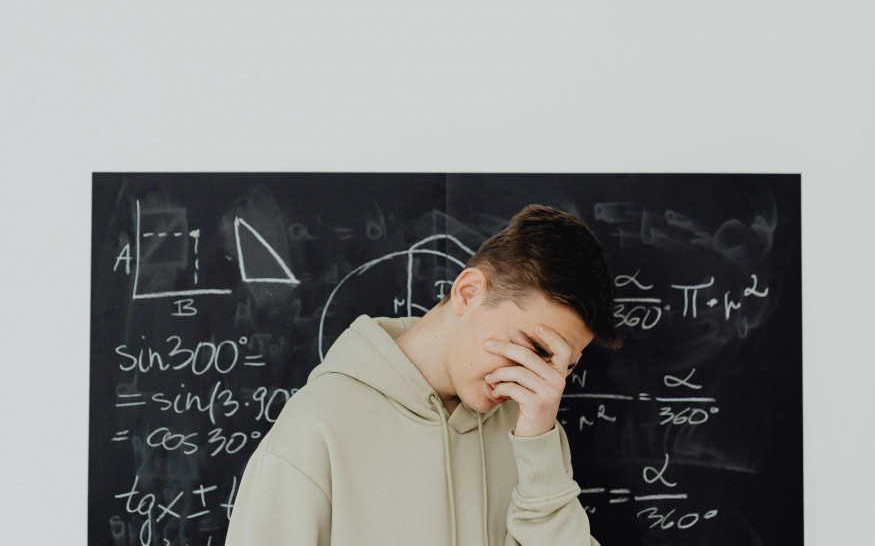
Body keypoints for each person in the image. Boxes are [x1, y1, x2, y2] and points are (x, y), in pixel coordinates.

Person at [224, 204, 622, 545]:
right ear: (468, 293)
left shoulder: (534, 435)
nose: (540, 381)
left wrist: (540, 452)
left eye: (562, 367)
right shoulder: (318, 427)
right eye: (533, 348)